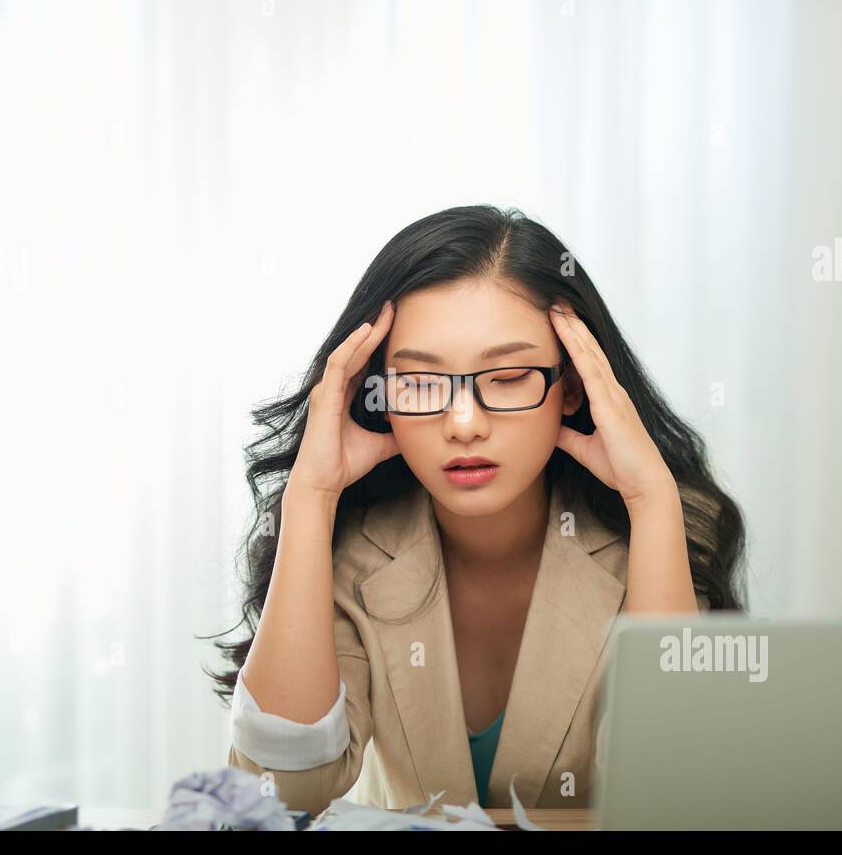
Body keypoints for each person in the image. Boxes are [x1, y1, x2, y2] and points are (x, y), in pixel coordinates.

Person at [207, 204, 746, 817]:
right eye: (419, 381)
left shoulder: (663, 529)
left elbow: (674, 797)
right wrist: (310, 496)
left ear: (571, 385)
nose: (464, 424)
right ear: (375, 393)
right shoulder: (352, 543)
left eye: (509, 376)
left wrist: (652, 503)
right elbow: (279, 793)